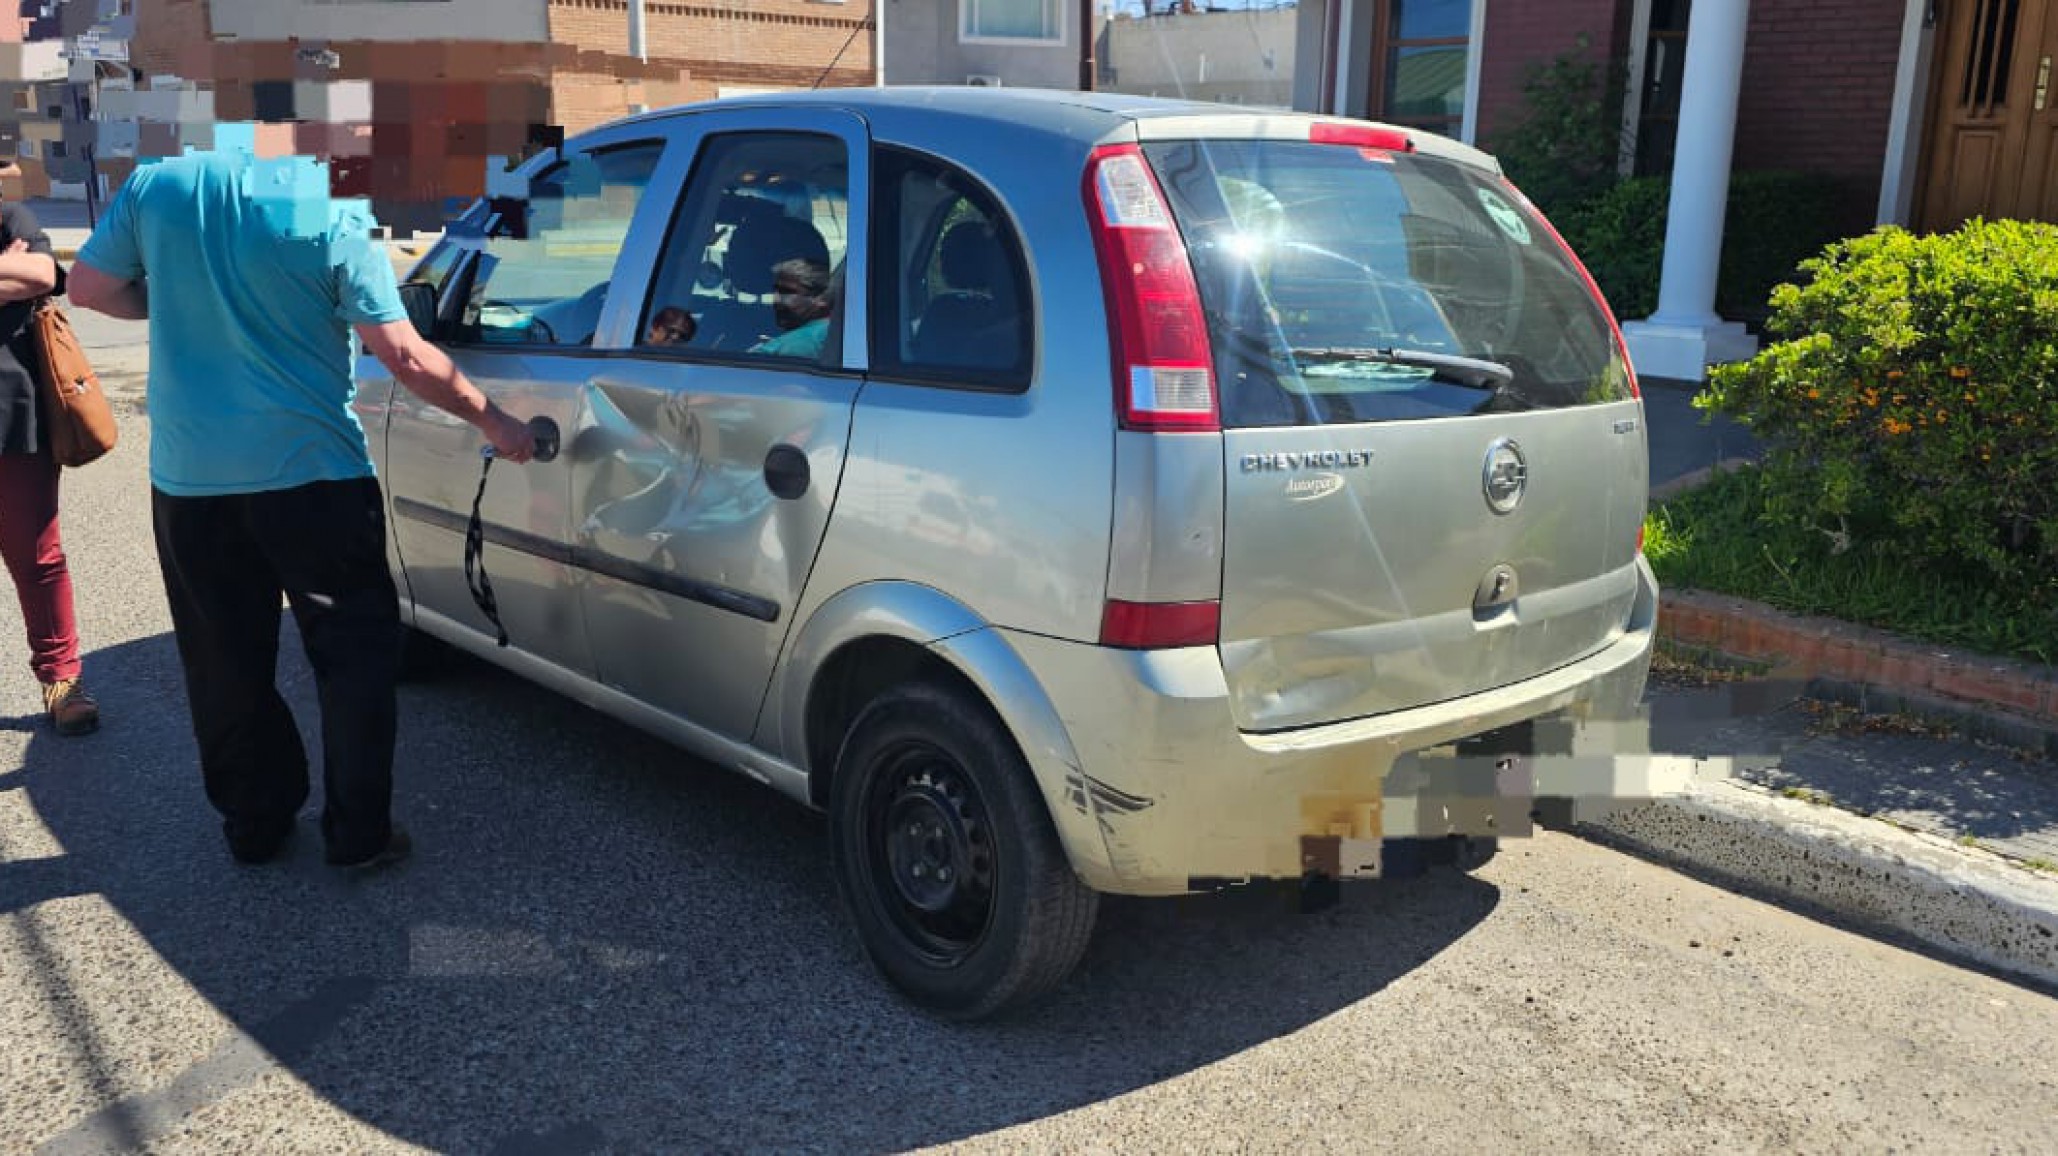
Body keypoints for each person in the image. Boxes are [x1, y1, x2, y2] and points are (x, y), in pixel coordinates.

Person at [67, 147, 536, 872]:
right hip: (314, 479)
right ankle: (358, 835)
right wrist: (494, 421)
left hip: (193, 483)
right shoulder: (331, 202)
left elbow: (90, 289)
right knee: (352, 659)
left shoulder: (157, 185)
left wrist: (178, 292)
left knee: (224, 661)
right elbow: (404, 355)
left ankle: (254, 823)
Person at [0, 171, 99, 736]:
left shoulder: (14, 221)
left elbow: (42, 274)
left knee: (37, 558)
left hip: (16, 417)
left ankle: (61, 679)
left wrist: (22, 272)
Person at [751, 256, 833, 359]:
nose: (775, 299)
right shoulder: (834, 334)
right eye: (775, 291)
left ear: (821, 298)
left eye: (786, 292)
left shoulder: (794, 347)